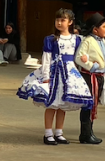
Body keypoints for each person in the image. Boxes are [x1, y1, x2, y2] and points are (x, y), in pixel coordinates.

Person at [17, 8, 94, 145]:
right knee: (51, 103)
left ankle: (59, 132)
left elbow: (80, 56)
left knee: (62, 104)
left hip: (69, 73)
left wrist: (85, 58)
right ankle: (48, 133)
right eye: (57, 20)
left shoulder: (76, 39)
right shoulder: (51, 39)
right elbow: (46, 58)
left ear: (70, 22)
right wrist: (46, 76)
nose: (59, 23)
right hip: (54, 73)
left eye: (63, 20)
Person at [75, 13, 105, 145]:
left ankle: (89, 131)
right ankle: (85, 133)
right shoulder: (88, 41)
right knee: (88, 104)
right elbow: (79, 57)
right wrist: (92, 65)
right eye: (104, 26)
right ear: (95, 29)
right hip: (89, 77)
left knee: (94, 104)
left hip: (99, 77)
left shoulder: (102, 41)